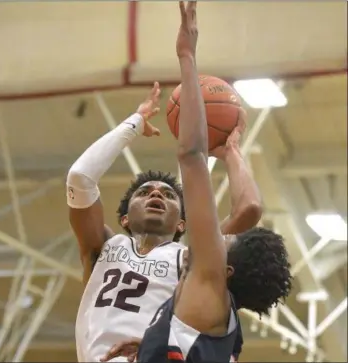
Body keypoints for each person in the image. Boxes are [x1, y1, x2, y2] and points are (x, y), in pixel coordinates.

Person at [100, 2, 292, 362]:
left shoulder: (206, 277)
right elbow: (249, 209)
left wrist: (187, 56)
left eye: (226, 240)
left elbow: (191, 156)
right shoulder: (213, 314)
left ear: (225, 268)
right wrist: (232, 150)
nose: (219, 235)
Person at [67, 52, 261, 363]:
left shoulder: (190, 259)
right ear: (126, 217)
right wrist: (133, 124)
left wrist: (232, 151)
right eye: (144, 192)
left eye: (169, 195)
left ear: (182, 224)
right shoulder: (102, 247)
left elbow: (248, 210)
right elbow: (79, 178)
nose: (156, 194)